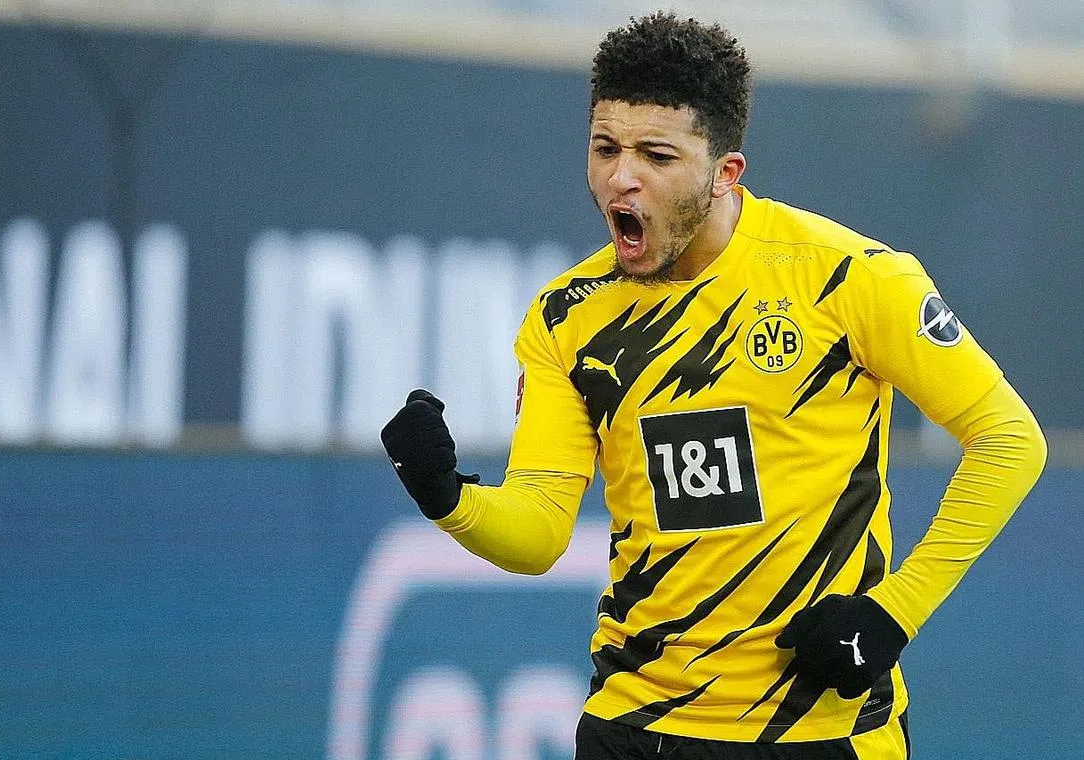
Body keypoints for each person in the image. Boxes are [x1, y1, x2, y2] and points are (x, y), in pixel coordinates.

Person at [381, 11, 1046, 759]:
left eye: (656, 155)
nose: (621, 177)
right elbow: (539, 533)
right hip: (633, 727)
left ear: (725, 172)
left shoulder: (846, 279)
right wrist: (449, 498)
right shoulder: (567, 316)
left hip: (818, 728)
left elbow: (1010, 440)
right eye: (605, 148)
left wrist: (894, 611)